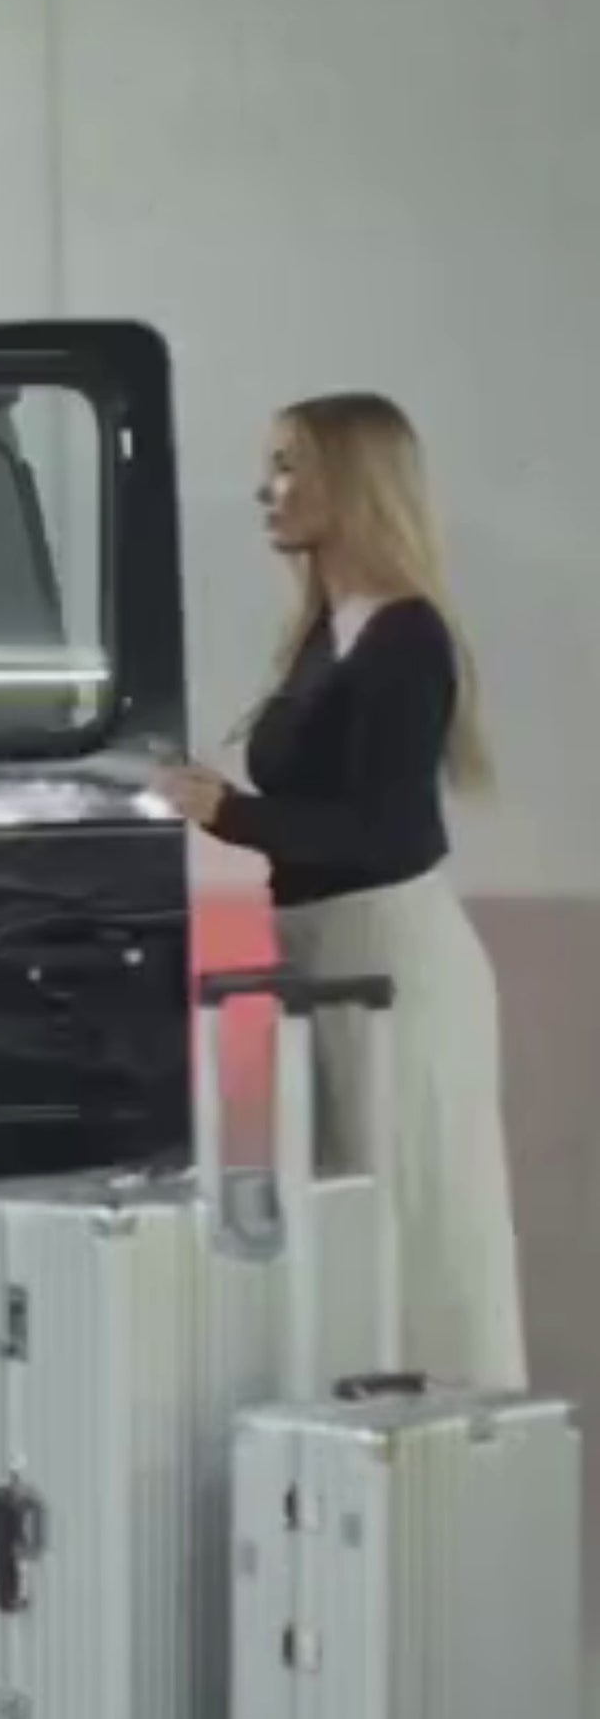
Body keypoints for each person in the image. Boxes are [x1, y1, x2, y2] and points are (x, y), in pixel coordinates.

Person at [159, 392, 527, 1392]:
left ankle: (446, 1433)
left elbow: (384, 831)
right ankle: (349, 1428)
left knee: (418, 1220)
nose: (265, 489)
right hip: (318, 954)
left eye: (290, 464)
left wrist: (228, 811)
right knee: (340, 1215)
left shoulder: (407, 638)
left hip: (391, 959)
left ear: (353, 483)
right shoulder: (324, 633)